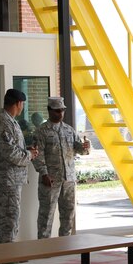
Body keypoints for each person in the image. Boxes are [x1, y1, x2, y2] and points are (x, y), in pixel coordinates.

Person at [32, 96, 90, 238]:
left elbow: (79, 150)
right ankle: (44, 247)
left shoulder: (69, 130)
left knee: (68, 214)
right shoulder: (41, 132)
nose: (60, 114)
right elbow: (37, 155)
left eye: (62, 111)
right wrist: (44, 173)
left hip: (68, 180)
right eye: (57, 111)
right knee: (47, 215)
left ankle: (65, 244)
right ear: (49, 111)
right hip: (50, 180)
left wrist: (85, 147)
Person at [0, 89, 39, 243]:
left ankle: (8, 257)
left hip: (11, 180)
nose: (22, 107)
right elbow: (9, 153)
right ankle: (7, 260)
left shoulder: (9, 120)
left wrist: (26, 150)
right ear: (18, 103)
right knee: (9, 221)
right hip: (6, 180)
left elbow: (12, 147)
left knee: (11, 220)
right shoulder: (4, 122)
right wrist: (29, 155)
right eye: (22, 104)